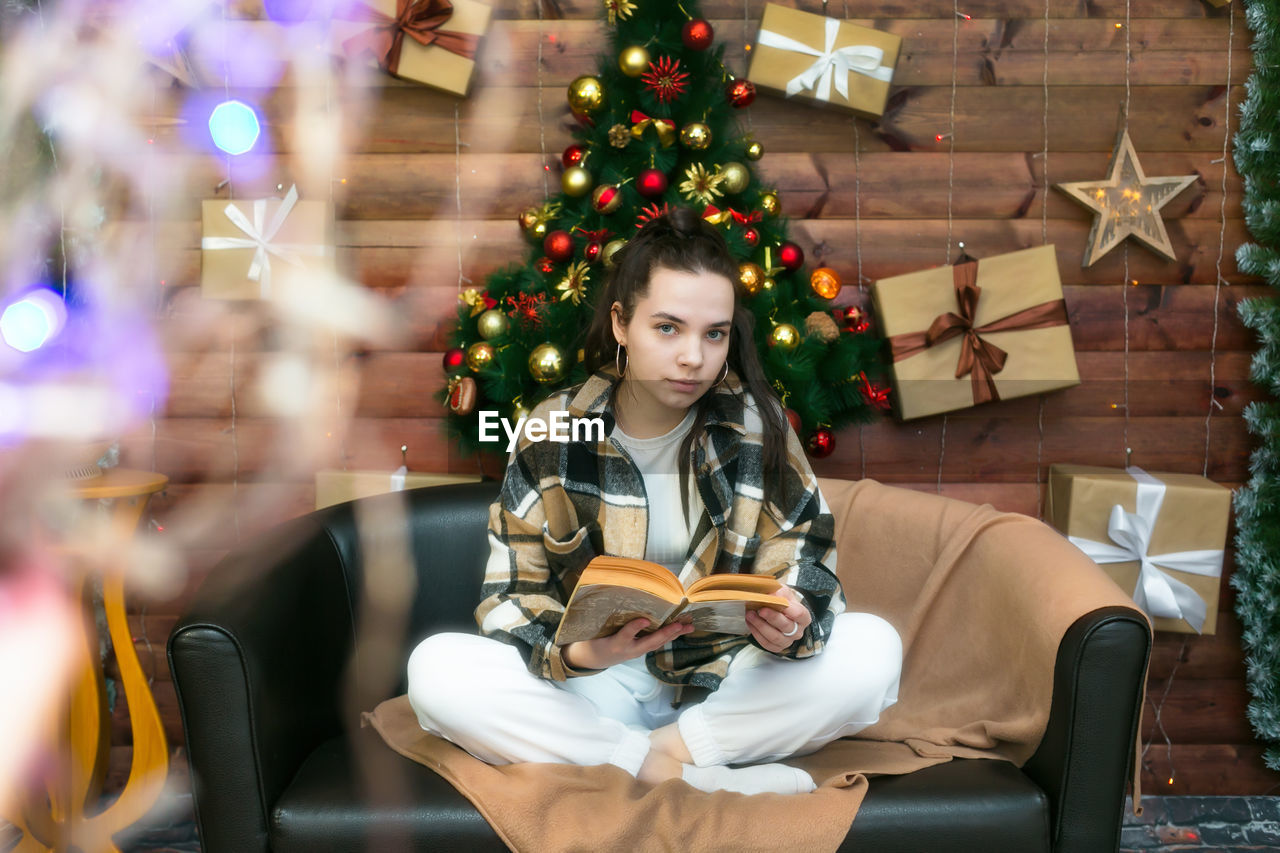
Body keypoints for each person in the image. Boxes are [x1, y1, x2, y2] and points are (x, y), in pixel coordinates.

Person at [407, 208, 902, 795]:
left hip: (727, 684)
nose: (694, 356)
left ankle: (665, 758)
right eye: (668, 327)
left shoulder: (755, 427)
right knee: (436, 670)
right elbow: (508, 597)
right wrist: (585, 653)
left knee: (874, 649)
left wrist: (792, 623)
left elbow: (807, 560)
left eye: (713, 333)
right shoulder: (554, 430)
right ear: (621, 324)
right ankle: (686, 776)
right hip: (596, 688)